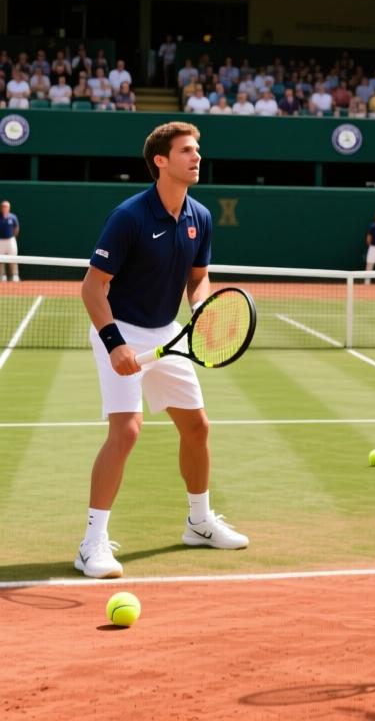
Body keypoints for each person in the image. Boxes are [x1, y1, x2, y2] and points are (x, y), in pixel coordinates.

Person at [76, 121, 248, 579]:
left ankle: (199, 523)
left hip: (165, 331)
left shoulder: (201, 217)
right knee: (127, 430)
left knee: (197, 427)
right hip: (118, 328)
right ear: (161, 161)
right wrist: (115, 345)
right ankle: (91, 543)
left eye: (198, 150)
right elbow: (92, 290)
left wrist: (202, 308)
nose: (197, 157)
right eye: (187, 151)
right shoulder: (129, 216)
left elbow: (198, 277)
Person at [0, 200, 19, 281]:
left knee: (13, 258)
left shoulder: (13, 217)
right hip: (0, 241)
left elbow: (16, 228)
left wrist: (13, 237)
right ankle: (2, 277)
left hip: (10, 240)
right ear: (1, 208)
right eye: (3, 206)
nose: (5, 208)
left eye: (6, 207)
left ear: (9, 208)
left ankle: (14, 276)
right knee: (0, 259)